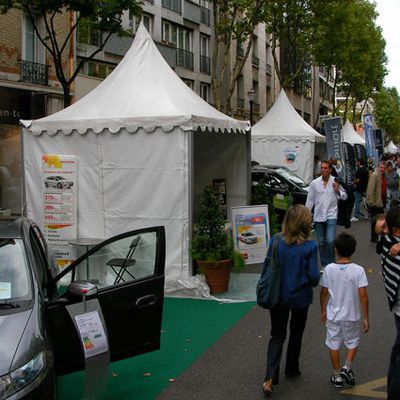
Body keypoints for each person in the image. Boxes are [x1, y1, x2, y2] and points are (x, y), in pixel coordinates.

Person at [262, 205, 320, 395]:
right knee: (296, 333)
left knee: (277, 335)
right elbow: (313, 277)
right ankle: (292, 368)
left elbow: (268, 266)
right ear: (304, 223)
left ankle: (270, 377)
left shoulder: (276, 240)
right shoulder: (310, 246)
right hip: (300, 297)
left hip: (278, 295)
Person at [320, 232, 369, 388]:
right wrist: (366, 317)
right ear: (353, 250)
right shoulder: (358, 270)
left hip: (334, 315)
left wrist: (323, 310)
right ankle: (347, 367)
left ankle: (337, 375)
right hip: (352, 315)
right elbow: (363, 296)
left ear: (335, 250)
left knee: (333, 344)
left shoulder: (328, 269)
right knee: (353, 341)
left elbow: (324, 293)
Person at [306, 161, 347, 270]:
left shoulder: (335, 181)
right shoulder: (315, 183)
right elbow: (310, 200)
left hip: (331, 215)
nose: (323, 170)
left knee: (330, 241)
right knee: (321, 243)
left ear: (330, 170)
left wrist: (337, 190)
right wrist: (306, 214)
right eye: (321, 168)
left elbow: (345, 196)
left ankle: (331, 264)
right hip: (318, 216)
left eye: (325, 168)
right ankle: (325, 265)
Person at [378, 206, 400, 399]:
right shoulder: (394, 249)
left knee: (397, 350)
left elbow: (380, 228)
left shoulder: (386, 241)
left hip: (397, 309)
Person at [366, 161, 386, 242]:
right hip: (375, 203)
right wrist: (371, 202)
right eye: (381, 167)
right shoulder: (375, 175)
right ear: (378, 167)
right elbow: (370, 189)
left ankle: (377, 236)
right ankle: (374, 238)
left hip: (380, 201)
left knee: (379, 219)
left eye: (384, 168)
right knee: (375, 220)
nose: (382, 169)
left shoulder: (382, 175)